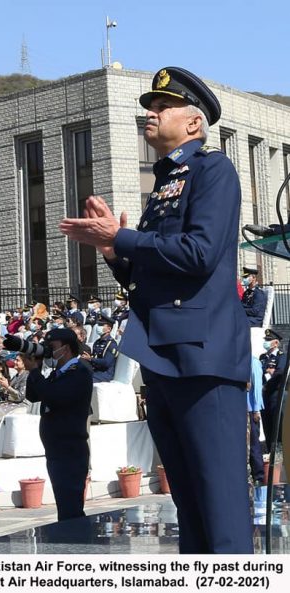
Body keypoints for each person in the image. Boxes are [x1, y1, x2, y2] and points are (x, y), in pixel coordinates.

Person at [60, 66, 253, 552]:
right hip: (163, 357)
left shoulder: (213, 171)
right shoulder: (165, 184)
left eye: (162, 107)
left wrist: (122, 237)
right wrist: (112, 251)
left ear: (193, 123)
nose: (150, 113)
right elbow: (147, 280)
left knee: (219, 504)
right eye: (150, 106)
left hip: (202, 357)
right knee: (188, 506)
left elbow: (200, 254)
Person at [25, 328, 92, 521]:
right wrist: (34, 369)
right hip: (57, 449)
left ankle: (77, 545)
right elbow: (33, 395)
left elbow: (54, 397)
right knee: (65, 505)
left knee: (70, 508)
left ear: (67, 348)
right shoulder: (59, 373)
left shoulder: (79, 371)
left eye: (51, 347)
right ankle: (72, 542)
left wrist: (35, 372)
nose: (48, 351)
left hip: (70, 448)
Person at [260, 329, 286, 452]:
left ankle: (279, 452)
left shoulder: (281, 356)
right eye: (265, 340)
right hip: (263, 397)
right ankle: (271, 451)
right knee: (267, 425)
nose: (266, 342)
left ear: (276, 343)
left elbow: (279, 374)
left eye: (269, 340)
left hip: (275, 395)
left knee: (278, 425)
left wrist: (266, 386)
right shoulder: (263, 357)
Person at [81, 314, 118, 382]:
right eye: (98, 324)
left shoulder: (111, 344)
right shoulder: (97, 342)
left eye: (101, 325)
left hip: (105, 374)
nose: (98, 327)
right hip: (95, 371)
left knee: (84, 380)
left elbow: (106, 363)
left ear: (109, 329)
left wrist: (90, 359)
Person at [247, 357, 264, 484]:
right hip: (242, 408)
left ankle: (258, 475)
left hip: (251, 409)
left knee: (254, 444)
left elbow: (257, 386)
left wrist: (256, 409)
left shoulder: (253, 362)